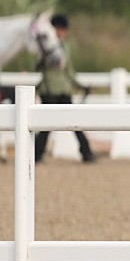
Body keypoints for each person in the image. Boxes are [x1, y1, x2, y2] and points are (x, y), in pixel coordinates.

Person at [34, 14, 95, 163]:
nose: (63, 32)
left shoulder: (65, 46)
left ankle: (86, 152)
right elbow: (38, 66)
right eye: (61, 29)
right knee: (47, 125)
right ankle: (36, 154)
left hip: (63, 89)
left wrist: (79, 85)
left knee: (74, 121)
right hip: (49, 89)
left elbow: (69, 70)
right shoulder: (46, 45)